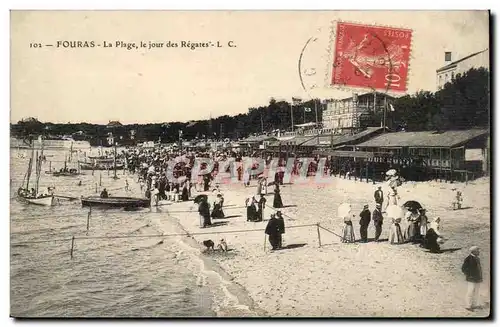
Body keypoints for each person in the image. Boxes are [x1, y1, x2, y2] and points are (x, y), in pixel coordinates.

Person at [462, 246, 483, 311]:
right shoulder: (468, 259)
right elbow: (463, 268)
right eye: (477, 250)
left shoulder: (477, 258)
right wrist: (469, 275)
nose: (479, 252)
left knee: (476, 292)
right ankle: (468, 306)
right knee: (470, 292)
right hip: (471, 279)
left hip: (477, 278)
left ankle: (474, 305)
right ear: (474, 251)